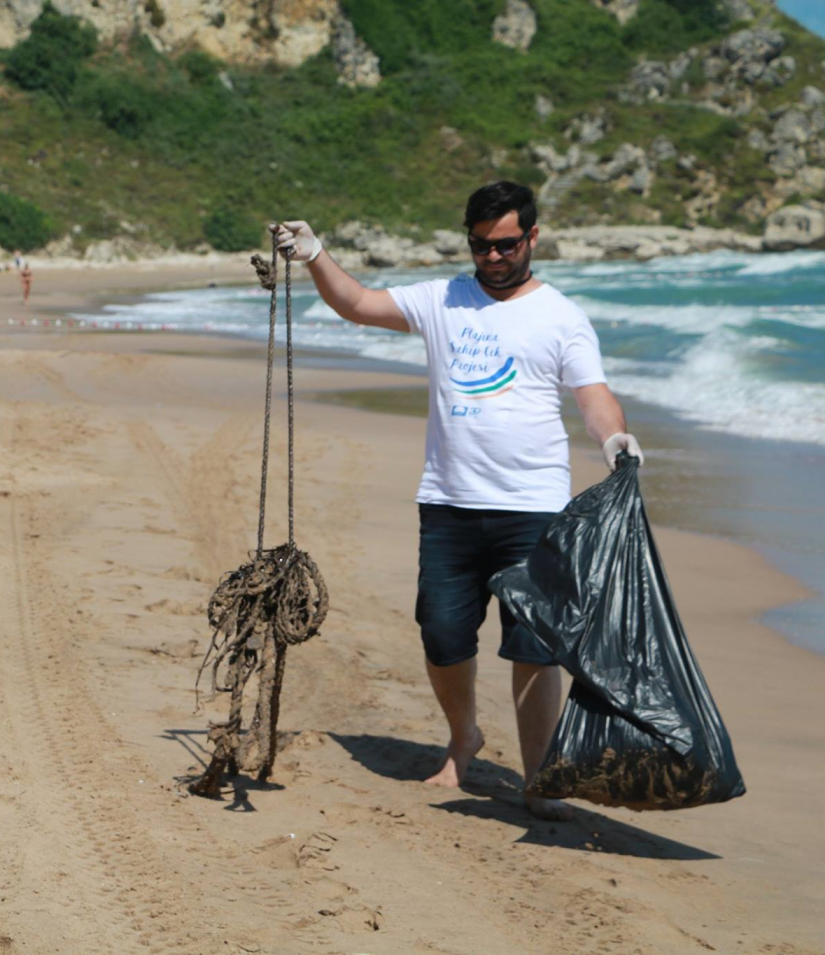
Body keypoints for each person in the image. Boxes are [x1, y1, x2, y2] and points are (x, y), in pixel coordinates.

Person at [273, 181, 643, 821]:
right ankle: (464, 736)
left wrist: (614, 439)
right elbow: (358, 304)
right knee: (443, 635)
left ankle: (539, 776)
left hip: (534, 506)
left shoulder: (560, 315)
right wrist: (315, 255)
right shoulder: (444, 298)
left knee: (534, 647)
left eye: (504, 245)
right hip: (448, 501)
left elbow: (592, 394)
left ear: (532, 237)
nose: (493, 257)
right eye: (480, 246)